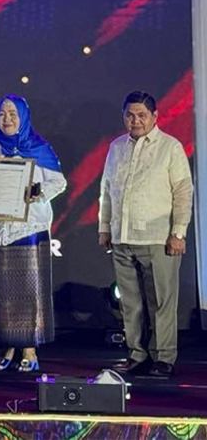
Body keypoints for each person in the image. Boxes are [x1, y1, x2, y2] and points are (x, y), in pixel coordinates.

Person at [0, 95, 66, 373]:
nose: (7, 119)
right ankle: (9, 346)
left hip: (28, 229)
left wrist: (36, 193)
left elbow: (59, 182)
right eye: (2, 114)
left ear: (23, 118)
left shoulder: (38, 147)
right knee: (2, 293)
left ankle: (30, 348)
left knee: (29, 292)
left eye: (13, 114)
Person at [98, 91, 192, 378]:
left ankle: (163, 357)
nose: (135, 120)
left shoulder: (169, 147)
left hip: (158, 237)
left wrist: (178, 233)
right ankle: (137, 354)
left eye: (141, 115)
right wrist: (105, 227)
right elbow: (106, 190)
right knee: (130, 302)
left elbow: (183, 192)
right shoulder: (116, 148)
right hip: (123, 237)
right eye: (130, 115)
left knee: (161, 301)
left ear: (155, 117)